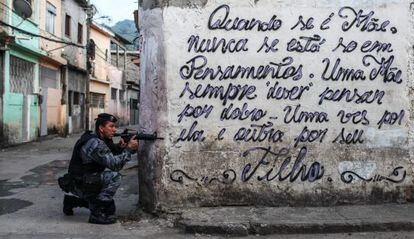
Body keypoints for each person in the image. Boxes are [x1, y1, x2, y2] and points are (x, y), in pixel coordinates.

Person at [59, 113, 139, 224]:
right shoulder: (95, 143)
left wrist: (120, 148)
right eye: (111, 126)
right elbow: (115, 165)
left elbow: (107, 155)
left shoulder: (99, 138)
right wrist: (128, 150)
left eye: (115, 127)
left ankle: (71, 201)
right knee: (114, 177)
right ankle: (96, 215)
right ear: (101, 128)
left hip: (86, 179)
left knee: (110, 209)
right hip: (80, 183)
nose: (114, 130)